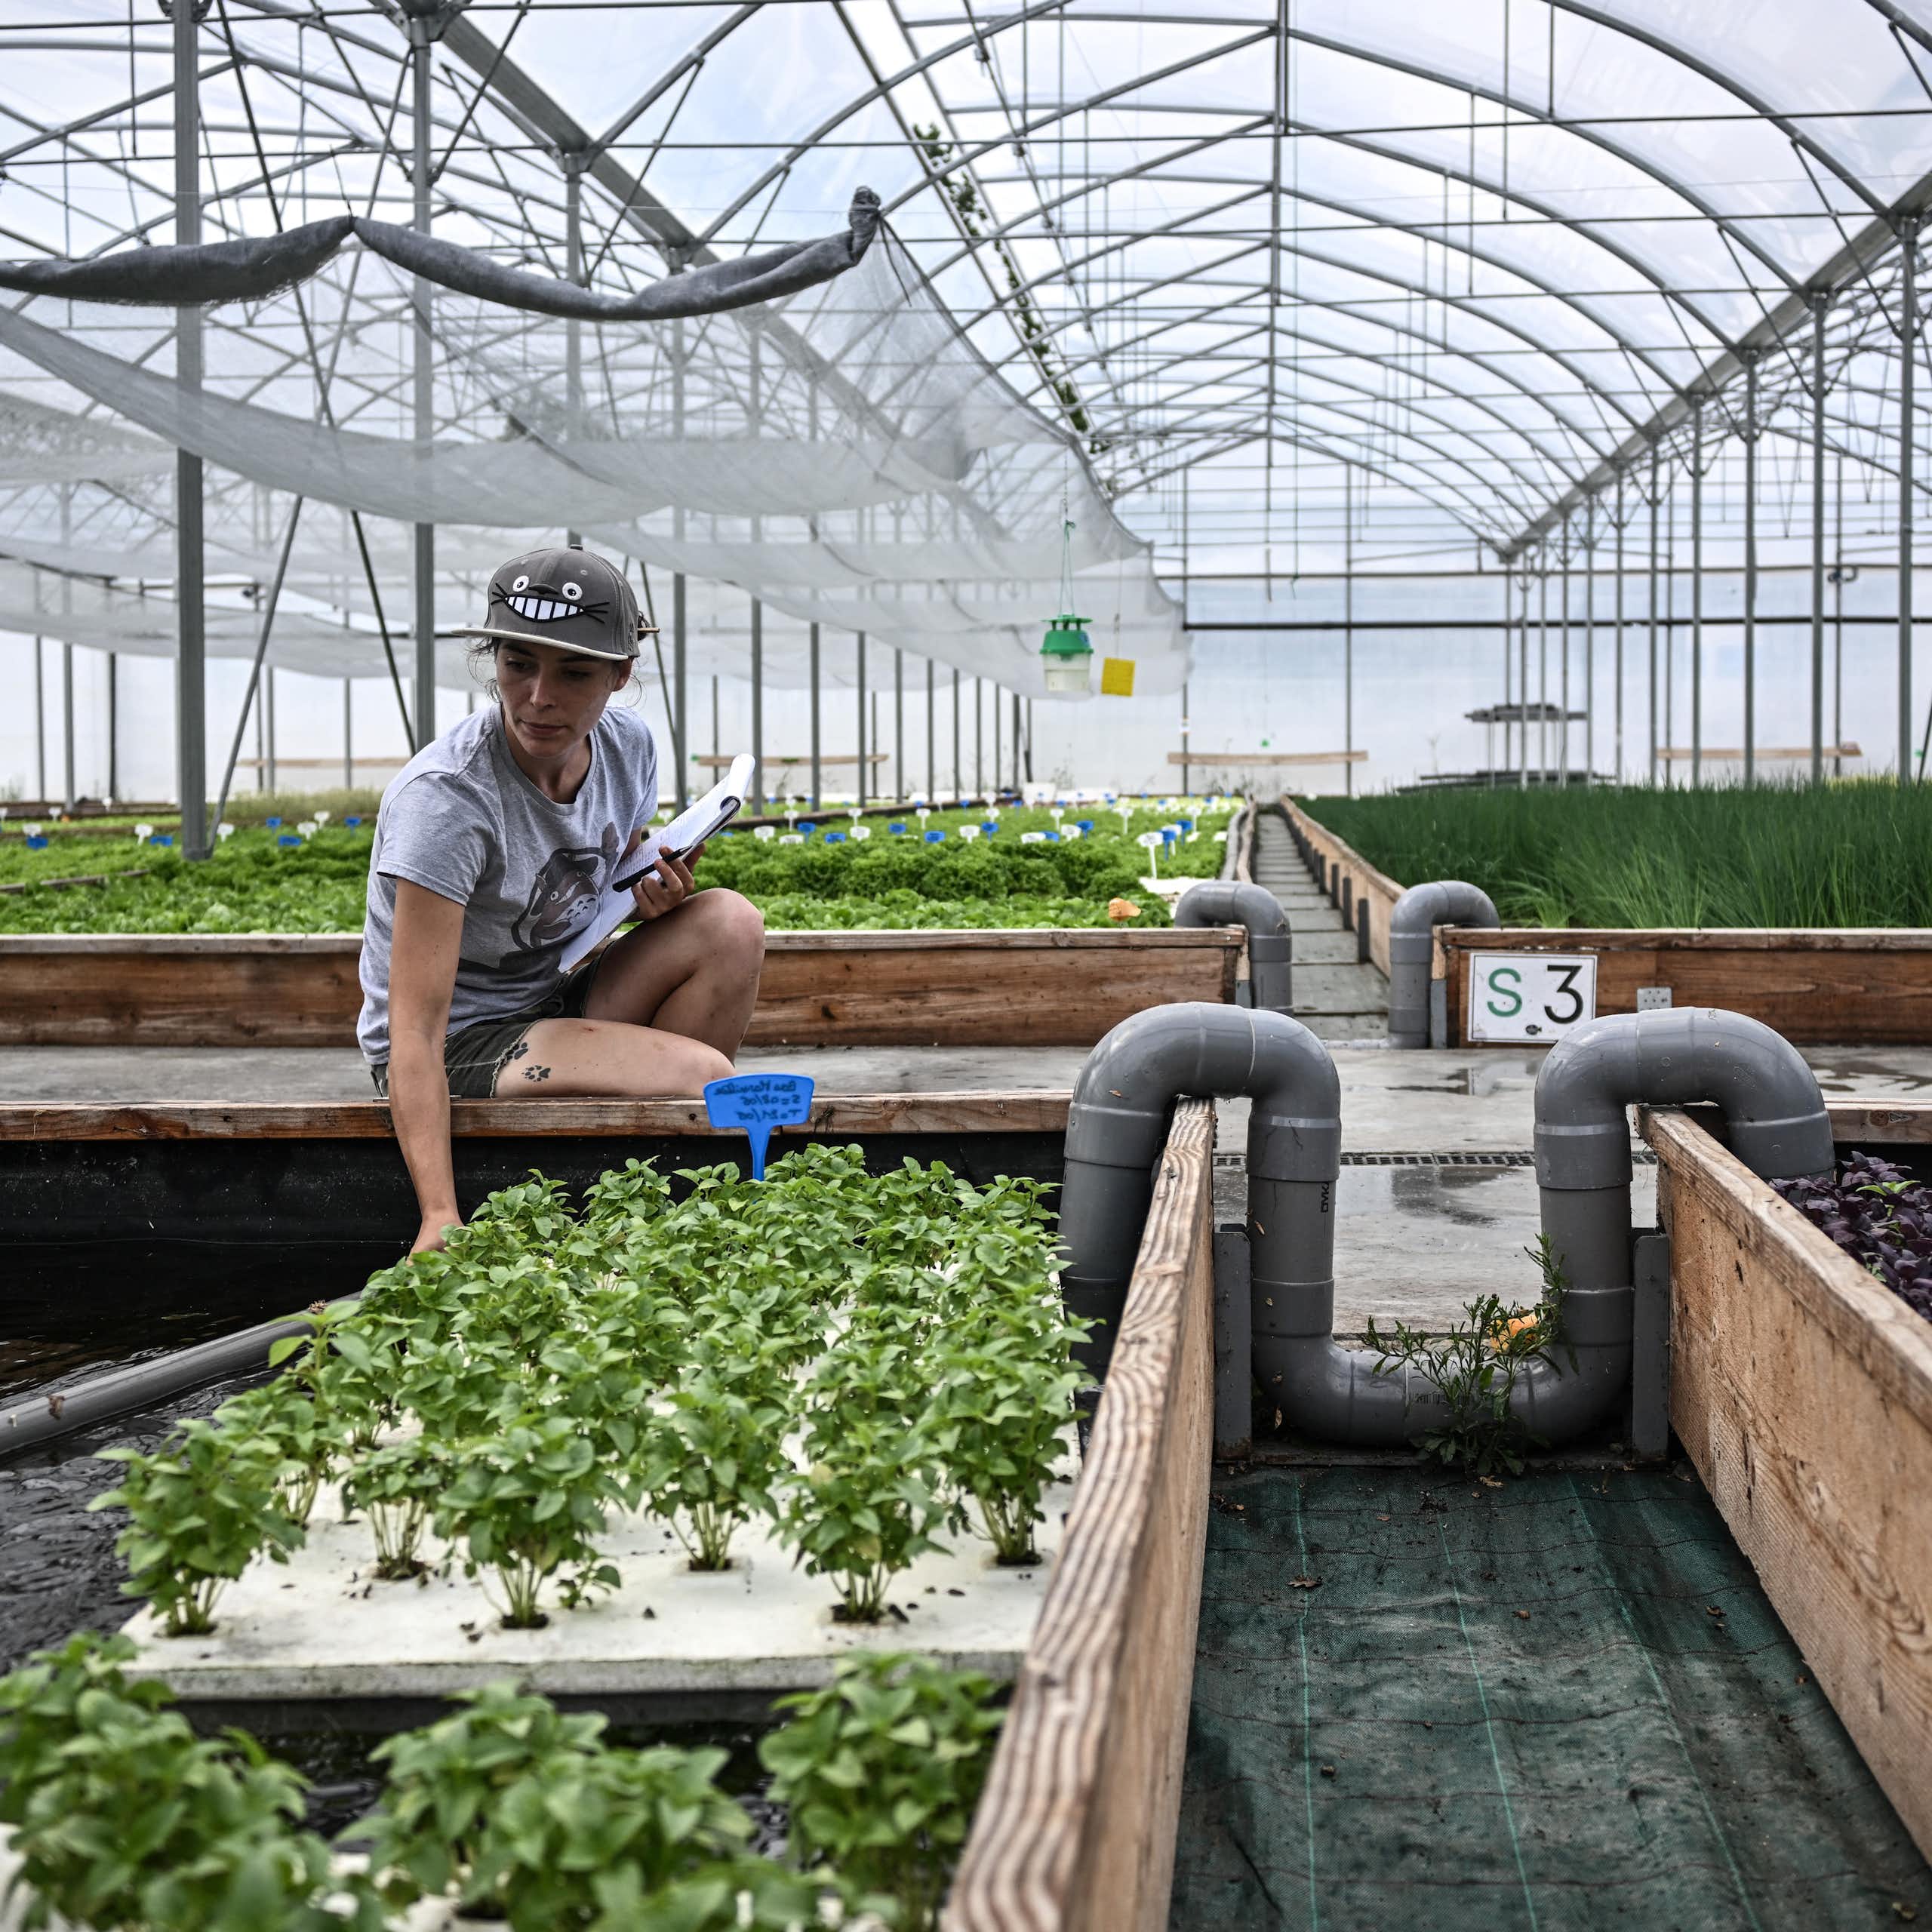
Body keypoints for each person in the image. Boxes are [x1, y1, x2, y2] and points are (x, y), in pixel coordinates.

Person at [356, 543, 764, 1254]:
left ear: (620, 674)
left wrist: (644, 897)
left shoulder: (628, 746)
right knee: (703, 1075)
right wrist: (438, 1215)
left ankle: (652, 1179)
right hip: (460, 1039)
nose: (539, 698)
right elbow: (413, 1032)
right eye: (518, 665)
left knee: (730, 921)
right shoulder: (446, 803)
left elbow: (590, 895)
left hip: (551, 991)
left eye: (574, 672)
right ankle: (654, 1182)